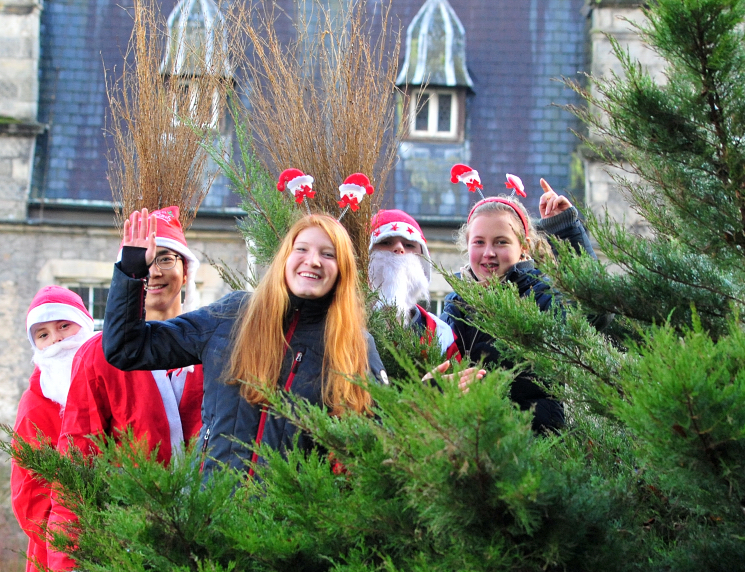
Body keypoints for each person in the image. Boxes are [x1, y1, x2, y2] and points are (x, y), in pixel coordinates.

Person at [102, 211, 386, 475]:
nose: (313, 261)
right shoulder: (231, 315)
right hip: (212, 516)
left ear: (342, 271)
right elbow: (127, 348)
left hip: (293, 524)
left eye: (328, 254)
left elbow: (380, 449)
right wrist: (131, 272)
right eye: (302, 249)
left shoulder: (355, 346)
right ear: (285, 258)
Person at [48, 206, 204, 571]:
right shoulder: (98, 356)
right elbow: (77, 462)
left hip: (211, 544)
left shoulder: (215, 346)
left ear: (185, 269)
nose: (154, 270)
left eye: (166, 257)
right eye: (143, 259)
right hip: (128, 546)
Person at [442, 178, 597, 432]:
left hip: (535, 443)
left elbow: (592, 315)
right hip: (472, 443)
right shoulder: (455, 304)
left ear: (523, 247)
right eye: (479, 242)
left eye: (501, 242)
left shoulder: (542, 294)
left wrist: (566, 231)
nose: (488, 252)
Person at [11, 286, 94, 572]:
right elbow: (29, 496)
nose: (57, 339)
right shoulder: (34, 405)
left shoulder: (112, 381)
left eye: (63, 326)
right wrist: (76, 542)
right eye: (43, 334)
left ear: (84, 325)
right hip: (58, 552)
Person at [368, 209, 460, 361]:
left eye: (409, 244)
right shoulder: (341, 322)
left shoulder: (441, 335)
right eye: (385, 242)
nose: (399, 248)